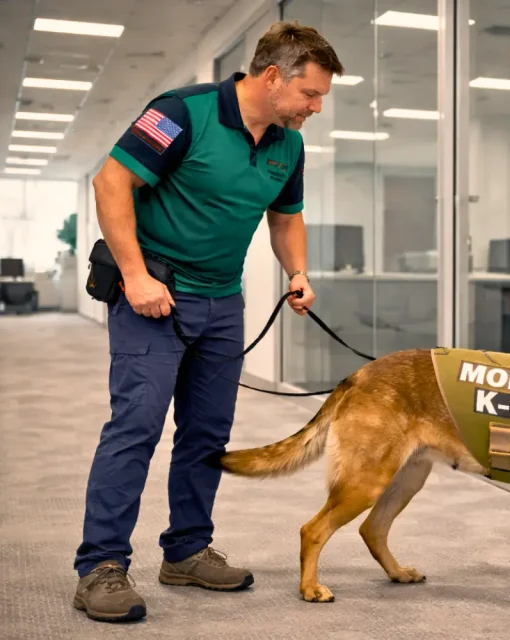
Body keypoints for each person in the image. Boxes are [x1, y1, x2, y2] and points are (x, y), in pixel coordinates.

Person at [71, 21, 344, 623]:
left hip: (224, 302)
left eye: (322, 97)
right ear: (272, 76)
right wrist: (137, 276)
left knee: (207, 434)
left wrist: (296, 271)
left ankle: (187, 549)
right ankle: (101, 566)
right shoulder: (182, 113)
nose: (316, 108)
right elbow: (111, 180)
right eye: (310, 94)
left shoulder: (287, 143)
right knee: (136, 427)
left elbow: (285, 216)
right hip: (154, 297)